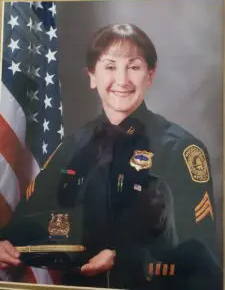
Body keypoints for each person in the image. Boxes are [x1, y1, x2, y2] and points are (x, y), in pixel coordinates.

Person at [0, 24, 222, 289]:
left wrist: (124, 257)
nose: (122, 79)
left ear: (150, 75)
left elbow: (199, 251)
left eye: (134, 66)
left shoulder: (181, 149)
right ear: (91, 76)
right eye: (109, 66)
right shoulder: (74, 145)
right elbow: (32, 215)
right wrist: (7, 241)